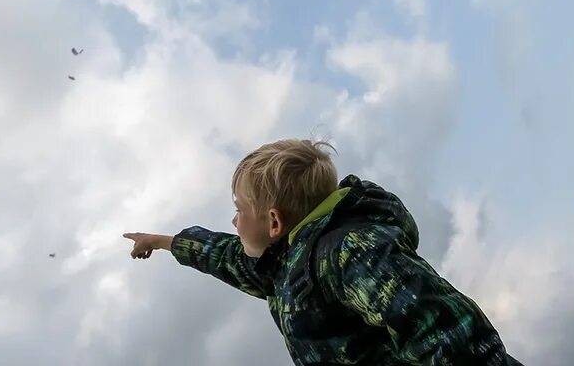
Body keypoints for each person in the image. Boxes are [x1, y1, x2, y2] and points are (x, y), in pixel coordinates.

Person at [123, 138, 522, 365]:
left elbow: (443, 327)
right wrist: (162, 241)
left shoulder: (349, 252)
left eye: (239, 210)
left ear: (274, 223)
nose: (234, 221)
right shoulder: (282, 266)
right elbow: (227, 257)